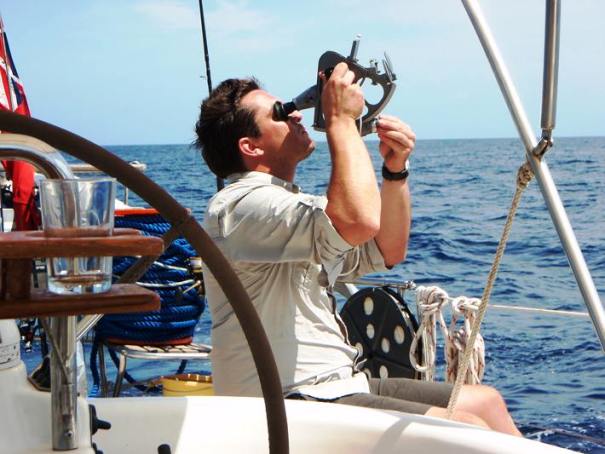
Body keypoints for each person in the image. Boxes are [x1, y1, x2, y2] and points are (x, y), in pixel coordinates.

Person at [194, 62, 521, 436]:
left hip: (340, 383)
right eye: (281, 113)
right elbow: (357, 220)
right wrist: (340, 121)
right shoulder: (238, 207)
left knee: (486, 402)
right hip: (289, 398)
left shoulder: (286, 209)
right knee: (466, 429)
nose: (297, 114)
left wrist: (395, 171)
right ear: (250, 146)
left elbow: (386, 249)